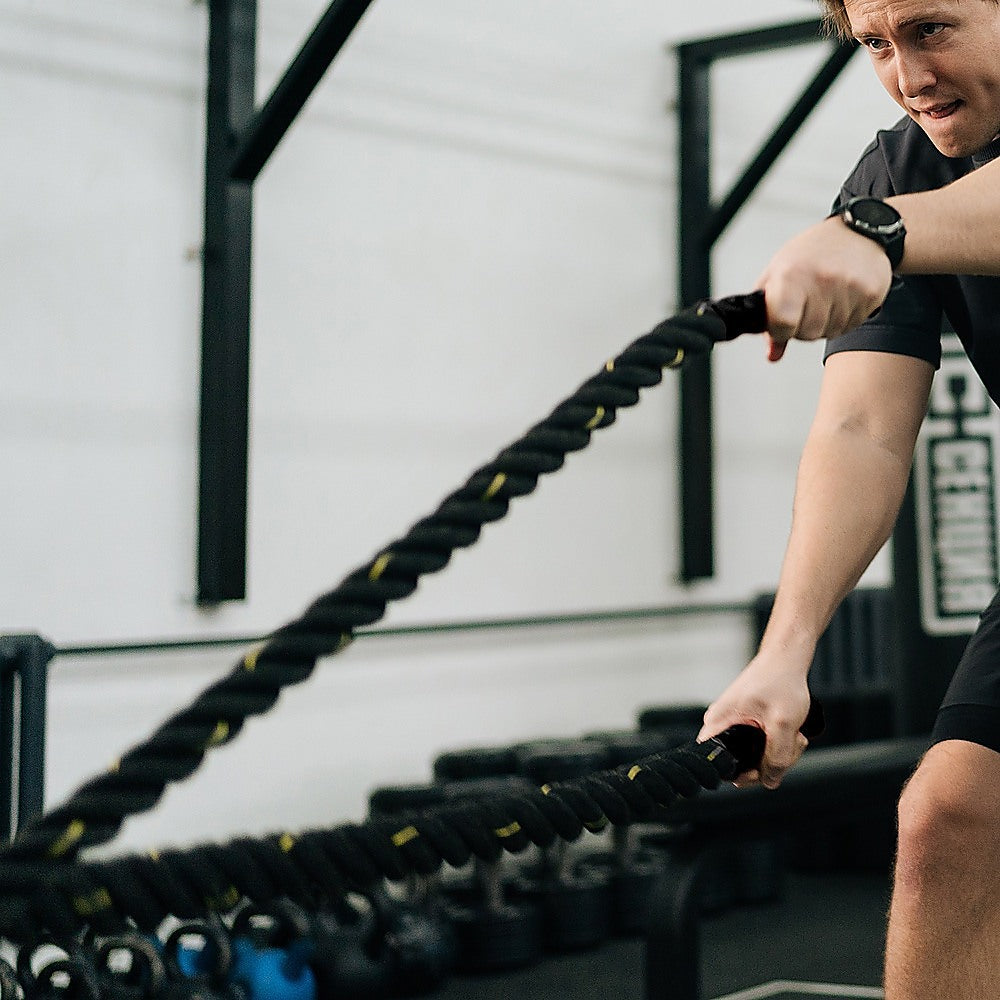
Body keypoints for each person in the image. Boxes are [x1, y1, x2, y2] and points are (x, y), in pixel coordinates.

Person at [697, 1, 1000, 996]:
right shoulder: (898, 174)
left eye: (931, 28)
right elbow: (861, 429)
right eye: (875, 42)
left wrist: (877, 231)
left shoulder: (889, 213)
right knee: (950, 818)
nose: (906, 74)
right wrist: (783, 656)